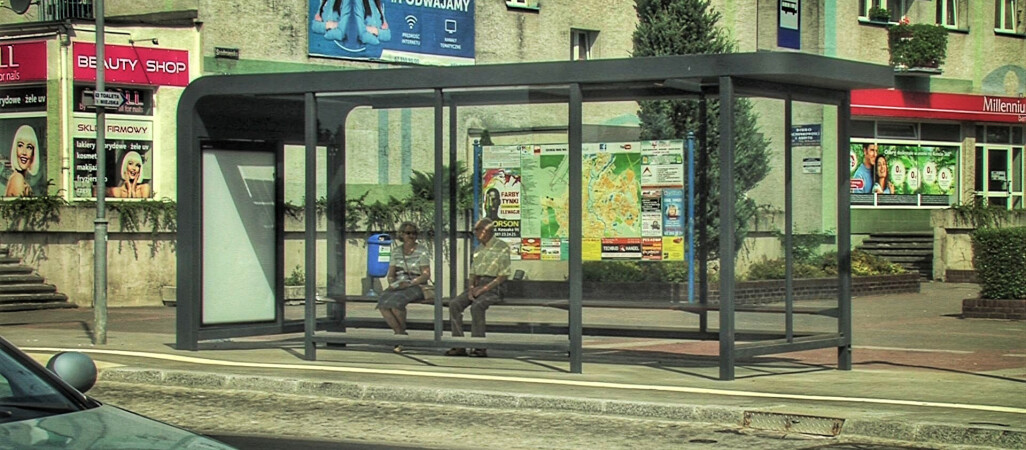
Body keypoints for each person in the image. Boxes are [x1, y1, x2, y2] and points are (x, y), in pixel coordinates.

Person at [446, 218, 511, 357]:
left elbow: (503, 276)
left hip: (494, 285)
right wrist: (470, 288)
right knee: (454, 304)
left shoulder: (502, 247)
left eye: (476, 230)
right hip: (478, 284)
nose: (474, 233)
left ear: (485, 231)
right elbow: (473, 272)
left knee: (477, 306)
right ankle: (458, 344)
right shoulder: (479, 248)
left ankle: (479, 346)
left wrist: (483, 289)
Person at [377, 221, 431, 352]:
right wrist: (394, 284)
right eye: (408, 233)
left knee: (396, 303)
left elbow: (426, 275)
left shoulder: (422, 251)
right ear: (401, 234)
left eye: (414, 233)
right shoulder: (396, 251)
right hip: (398, 283)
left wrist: (411, 283)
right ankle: (400, 333)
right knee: (382, 303)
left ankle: (400, 338)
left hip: (416, 284)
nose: (411, 236)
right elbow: (390, 274)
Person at [5, 125, 39, 197]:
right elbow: (21, 208)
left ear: (33, 153)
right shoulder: (17, 178)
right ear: (15, 149)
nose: (24, 152)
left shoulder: (20, 179)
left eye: (29, 147)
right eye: (20, 145)